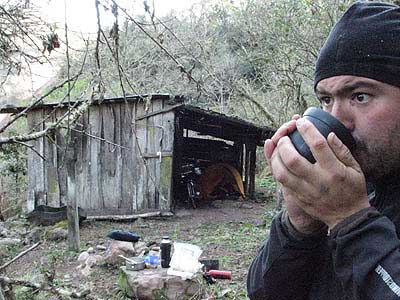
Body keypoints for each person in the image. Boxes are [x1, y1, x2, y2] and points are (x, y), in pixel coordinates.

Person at [247, 1, 400, 300]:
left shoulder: (347, 203)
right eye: (326, 100)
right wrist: (298, 227)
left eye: (360, 96)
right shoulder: (352, 185)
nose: (337, 120)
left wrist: (351, 222)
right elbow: (263, 294)